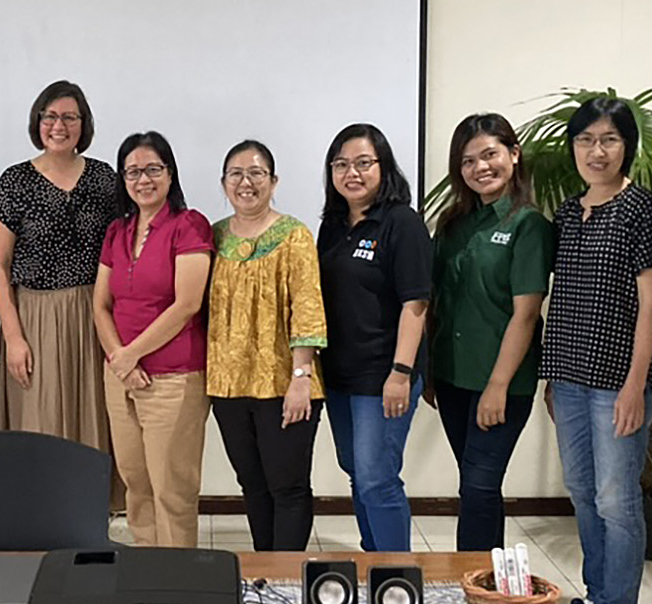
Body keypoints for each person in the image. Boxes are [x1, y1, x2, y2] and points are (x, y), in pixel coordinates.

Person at [541, 98, 652, 604]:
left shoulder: (643, 209)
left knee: (618, 499)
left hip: (620, 381)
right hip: (570, 377)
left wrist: (635, 385)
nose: (596, 152)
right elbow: (565, 298)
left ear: (627, 147)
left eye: (609, 140)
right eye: (585, 140)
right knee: (581, 491)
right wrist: (552, 376)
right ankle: (596, 595)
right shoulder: (569, 213)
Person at [0, 80, 123, 510]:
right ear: (37, 122)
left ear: (84, 125)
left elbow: (123, 251)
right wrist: (13, 337)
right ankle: (39, 522)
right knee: (40, 422)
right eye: (49, 116)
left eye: (69, 117)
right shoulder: (15, 182)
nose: (58, 126)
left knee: (94, 420)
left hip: (94, 314)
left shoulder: (104, 179)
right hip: (35, 317)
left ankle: (91, 521)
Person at [426, 113, 553, 553]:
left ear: (514, 155)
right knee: (478, 485)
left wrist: (497, 386)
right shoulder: (454, 224)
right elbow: (437, 302)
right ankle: (492, 585)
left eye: (490, 155)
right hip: (452, 376)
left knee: (478, 488)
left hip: (500, 383)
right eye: (467, 161)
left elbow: (526, 314)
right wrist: (427, 370)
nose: (480, 167)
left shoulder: (528, 225)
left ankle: (472, 588)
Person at [91, 132, 213, 547]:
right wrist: (119, 360)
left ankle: (179, 585)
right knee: (135, 485)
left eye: (152, 170)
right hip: (121, 376)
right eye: (132, 172)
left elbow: (186, 304)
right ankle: (146, 573)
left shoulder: (188, 224)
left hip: (173, 378)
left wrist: (129, 355)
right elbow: (100, 305)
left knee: (171, 490)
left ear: (170, 173)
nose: (143, 179)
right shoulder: (117, 231)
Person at [207, 140, 327, 551]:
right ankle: (264, 574)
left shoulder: (294, 236)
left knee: (288, 486)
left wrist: (300, 377)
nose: (246, 182)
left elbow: (308, 307)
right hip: (227, 386)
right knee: (252, 484)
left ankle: (288, 580)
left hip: (284, 384)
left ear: (273, 182)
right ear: (223, 184)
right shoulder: (214, 236)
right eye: (236, 174)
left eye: (256, 173)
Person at [316, 124, 431, 553]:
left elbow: (415, 303)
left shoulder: (402, 222)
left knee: (378, 477)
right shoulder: (332, 225)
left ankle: (395, 577)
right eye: (341, 164)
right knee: (356, 470)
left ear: (383, 166)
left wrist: (400, 372)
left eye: (363, 163)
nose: (352, 173)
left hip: (383, 375)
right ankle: (373, 560)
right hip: (340, 376)